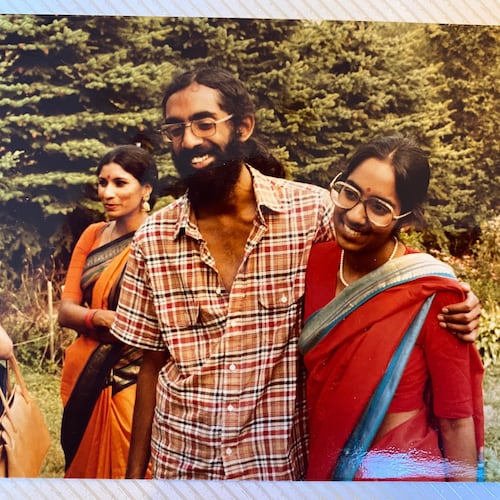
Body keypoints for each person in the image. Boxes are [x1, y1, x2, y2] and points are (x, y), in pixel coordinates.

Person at [110, 66, 481, 480]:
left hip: (276, 471)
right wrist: (134, 481)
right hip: (182, 465)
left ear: (244, 126)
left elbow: (381, 247)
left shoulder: (311, 213)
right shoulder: (153, 239)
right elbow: (150, 364)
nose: (189, 140)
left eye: (204, 123)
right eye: (175, 128)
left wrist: (455, 294)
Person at [300, 135, 484, 481]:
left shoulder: (434, 292)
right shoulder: (313, 263)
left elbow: (456, 420)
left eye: (379, 208)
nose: (355, 215)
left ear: (407, 220)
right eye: (350, 193)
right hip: (323, 469)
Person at [58, 144, 158, 478]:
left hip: (131, 379)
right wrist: (97, 318)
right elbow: (65, 311)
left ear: (146, 189)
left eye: (120, 183)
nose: (107, 193)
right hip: (83, 374)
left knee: (127, 473)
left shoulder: (159, 239)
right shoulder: (93, 234)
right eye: (103, 183)